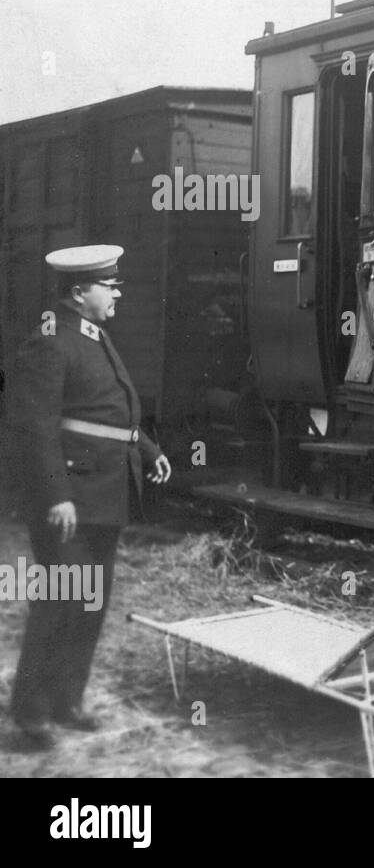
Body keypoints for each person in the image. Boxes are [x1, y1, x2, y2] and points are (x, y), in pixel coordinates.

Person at [4, 245, 172, 751]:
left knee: (88, 604)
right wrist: (56, 495)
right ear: (80, 293)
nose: (117, 292)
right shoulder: (51, 342)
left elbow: (108, 410)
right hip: (72, 501)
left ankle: (66, 701)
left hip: (103, 494)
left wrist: (146, 450)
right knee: (58, 601)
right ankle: (30, 710)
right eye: (109, 285)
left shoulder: (92, 336)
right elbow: (33, 425)